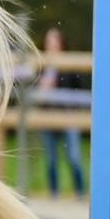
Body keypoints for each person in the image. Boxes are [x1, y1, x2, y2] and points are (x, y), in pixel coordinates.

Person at [38, 27, 87, 199]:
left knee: (74, 157)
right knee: (51, 159)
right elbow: (33, 92)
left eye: (54, 42)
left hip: (68, 116)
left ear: (61, 44)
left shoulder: (70, 64)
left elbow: (80, 90)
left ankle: (80, 192)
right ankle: (54, 193)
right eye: (48, 42)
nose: (51, 45)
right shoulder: (41, 64)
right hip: (48, 116)